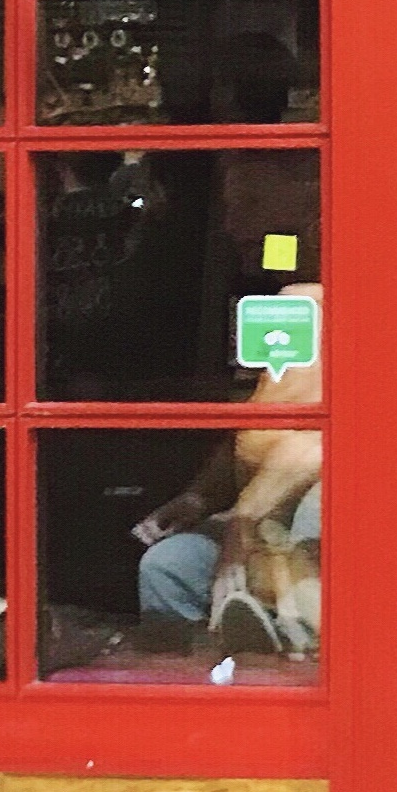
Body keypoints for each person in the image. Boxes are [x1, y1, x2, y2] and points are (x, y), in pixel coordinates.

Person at [133, 276, 326, 659]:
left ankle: (288, 637)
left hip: (308, 525)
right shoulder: (286, 322)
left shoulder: (351, 322)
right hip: (253, 521)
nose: (235, 222)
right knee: (167, 566)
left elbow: (317, 443)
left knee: (315, 516)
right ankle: (179, 682)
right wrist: (198, 496)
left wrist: (243, 523)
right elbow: (256, 430)